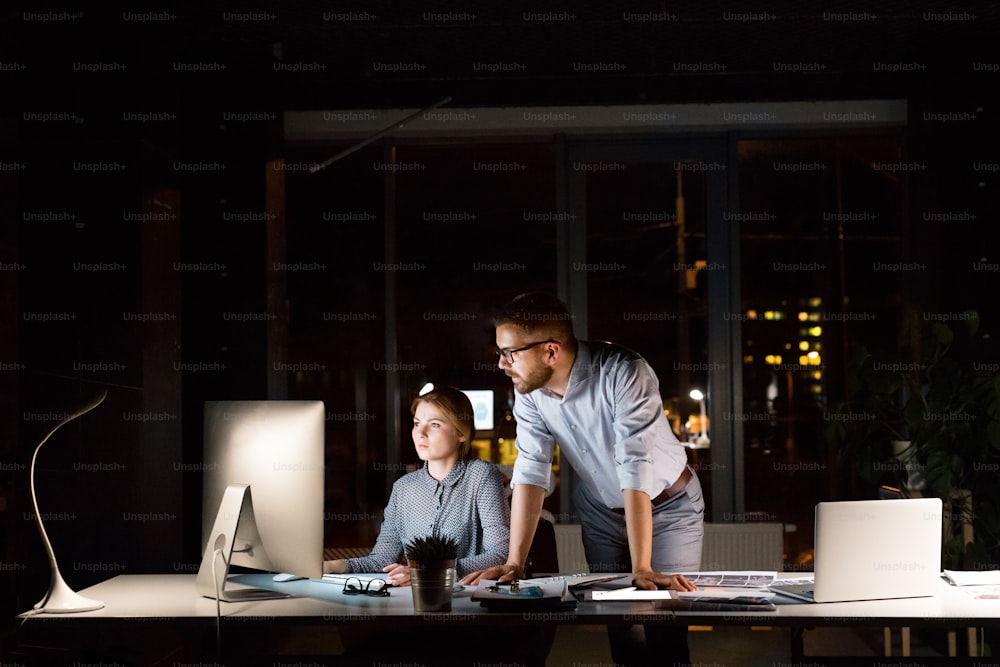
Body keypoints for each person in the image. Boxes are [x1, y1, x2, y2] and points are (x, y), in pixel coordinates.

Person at [462, 292, 705, 667]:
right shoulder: (528, 391)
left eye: (510, 352)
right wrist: (514, 562)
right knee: (621, 625)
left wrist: (641, 567)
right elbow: (530, 469)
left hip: (668, 505)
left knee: (664, 622)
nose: (501, 363)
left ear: (550, 351)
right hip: (600, 510)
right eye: (499, 352)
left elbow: (635, 466)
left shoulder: (625, 372)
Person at [324, 386, 510, 584]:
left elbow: (500, 552)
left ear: (462, 433)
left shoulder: (481, 475)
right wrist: (334, 566)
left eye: (435, 425)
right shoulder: (403, 488)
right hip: (411, 601)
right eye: (416, 423)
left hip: (466, 601)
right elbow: (382, 559)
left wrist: (427, 573)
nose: (421, 433)